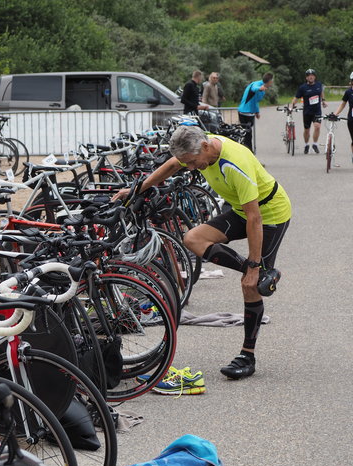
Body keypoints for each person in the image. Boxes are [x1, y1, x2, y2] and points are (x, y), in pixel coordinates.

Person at [112, 126, 291, 380]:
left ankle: (247, 356)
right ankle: (262, 271)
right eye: (189, 163)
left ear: (205, 147)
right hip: (243, 211)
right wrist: (137, 190)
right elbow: (173, 165)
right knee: (193, 238)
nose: (192, 168)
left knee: (249, 285)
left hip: (270, 215)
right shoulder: (199, 148)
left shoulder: (234, 164)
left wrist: (252, 267)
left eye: (194, 162)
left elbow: (255, 218)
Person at [291, 69, 327, 154]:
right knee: (307, 130)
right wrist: (291, 106)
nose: (311, 77)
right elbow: (296, 98)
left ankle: (315, 144)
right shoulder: (303, 88)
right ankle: (306, 144)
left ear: (315, 77)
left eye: (312, 75)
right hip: (307, 112)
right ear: (306, 78)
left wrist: (323, 100)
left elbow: (321, 92)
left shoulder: (319, 85)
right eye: (309, 76)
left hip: (317, 111)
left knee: (317, 126)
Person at [238, 72, 274, 151]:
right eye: (272, 81)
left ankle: (247, 151)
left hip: (250, 112)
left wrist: (257, 112)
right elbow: (254, 88)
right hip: (245, 112)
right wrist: (259, 88)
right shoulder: (257, 84)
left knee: (247, 134)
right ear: (270, 81)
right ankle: (248, 152)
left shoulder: (263, 87)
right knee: (247, 134)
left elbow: (255, 100)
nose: (272, 83)